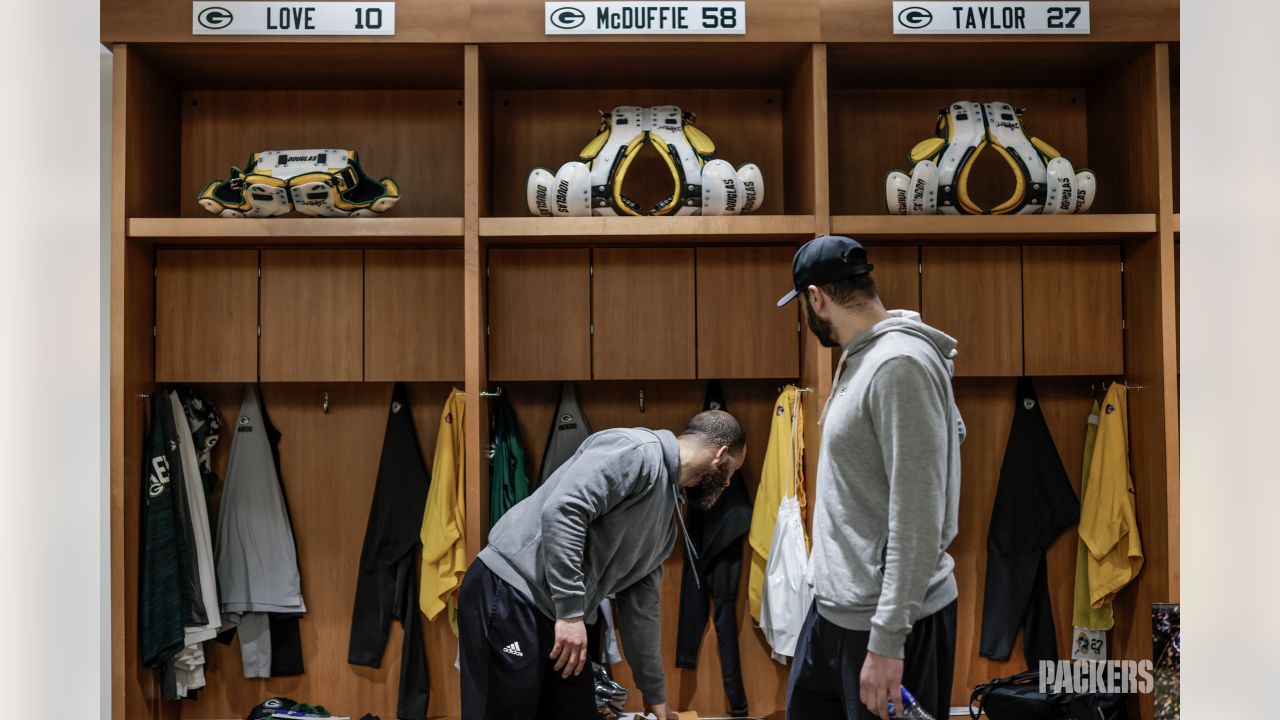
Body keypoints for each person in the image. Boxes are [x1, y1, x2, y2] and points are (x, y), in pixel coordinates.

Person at [777, 235, 964, 720]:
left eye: (802, 304)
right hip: (837, 611)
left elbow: (919, 514)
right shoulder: (866, 356)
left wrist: (886, 641)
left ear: (815, 297)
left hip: (888, 624)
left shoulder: (898, 364)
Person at [458, 410, 747, 720]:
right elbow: (564, 511)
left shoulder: (666, 523)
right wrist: (570, 613)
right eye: (732, 470)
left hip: (559, 614)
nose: (729, 483)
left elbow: (642, 610)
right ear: (720, 455)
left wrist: (655, 697)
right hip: (512, 590)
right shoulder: (634, 451)